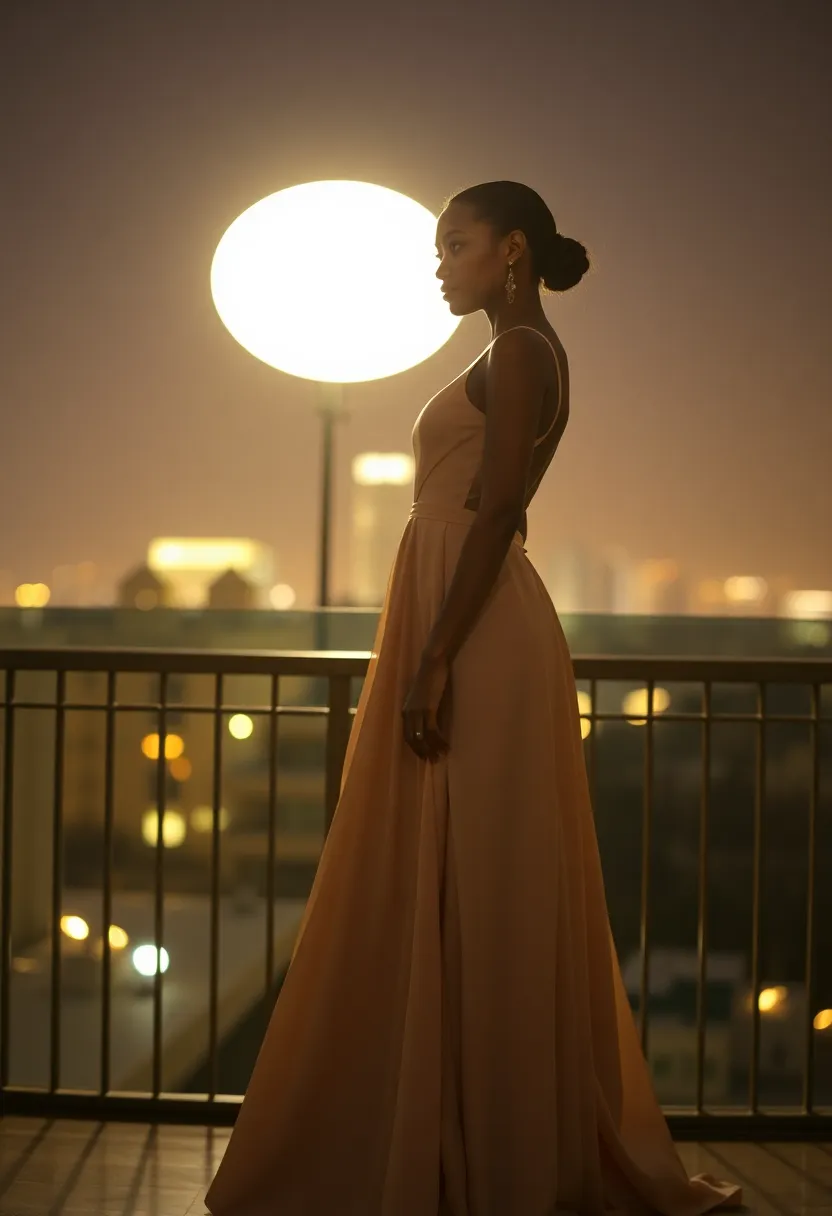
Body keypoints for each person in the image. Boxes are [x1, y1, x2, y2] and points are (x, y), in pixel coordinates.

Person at [204, 181, 742, 1215]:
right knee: (447, 875)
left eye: (454, 245)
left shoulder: (526, 350)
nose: (439, 265)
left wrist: (436, 658)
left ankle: (490, 1155)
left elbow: (497, 513)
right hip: (459, 614)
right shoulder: (510, 349)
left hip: (476, 628)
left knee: (484, 883)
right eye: (437, 248)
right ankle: (443, 1136)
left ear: (512, 250)